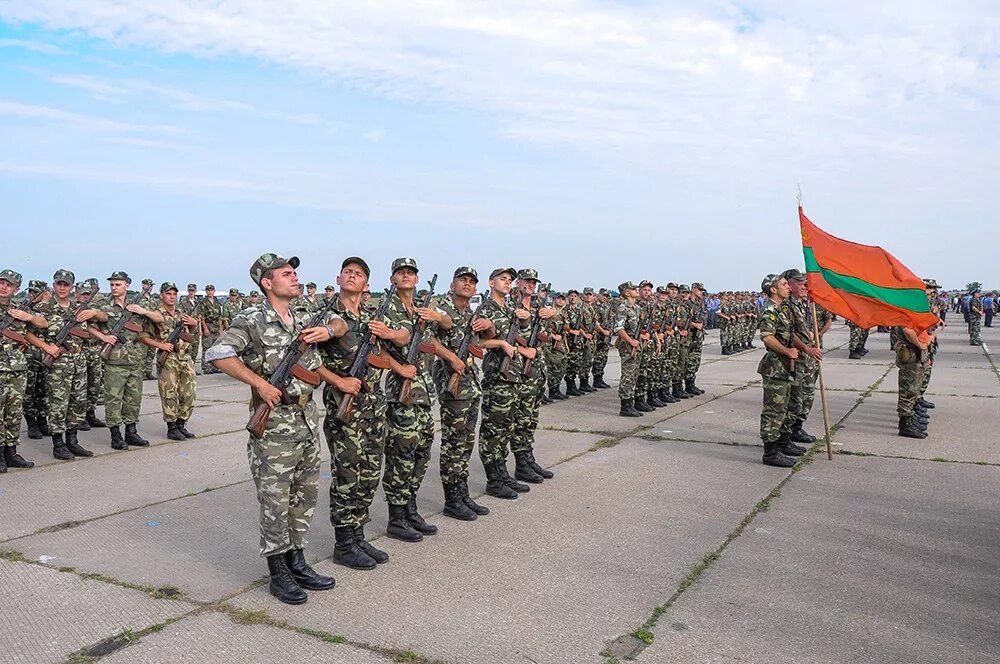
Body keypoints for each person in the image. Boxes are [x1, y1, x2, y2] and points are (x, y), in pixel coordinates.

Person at [207, 253, 341, 605]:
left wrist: (327, 330)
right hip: (275, 425)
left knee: (304, 496)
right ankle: (278, 571)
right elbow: (218, 353)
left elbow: (341, 323)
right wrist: (261, 385)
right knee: (275, 501)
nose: (295, 278)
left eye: (295, 273)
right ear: (268, 283)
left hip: (307, 420)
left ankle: (298, 560)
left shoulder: (302, 316)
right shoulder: (251, 319)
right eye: (287, 273)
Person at [318, 257, 410, 568]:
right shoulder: (328, 315)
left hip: (374, 408)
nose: (353, 275)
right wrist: (339, 381)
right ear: (339, 278)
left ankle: (358, 535)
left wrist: (387, 333)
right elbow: (309, 359)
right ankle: (344, 543)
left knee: (369, 474)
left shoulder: (373, 317)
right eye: (348, 272)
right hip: (346, 410)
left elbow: (403, 339)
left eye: (359, 273)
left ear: (366, 285)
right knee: (347, 475)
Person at [381, 258, 454, 542]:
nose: (406, 276)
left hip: (424, 393)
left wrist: (436, 317)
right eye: (401, 273)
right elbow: (379, 349)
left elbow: (443, 329)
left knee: (422, 454)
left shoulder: (423, 309)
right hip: (401, 394)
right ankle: (396, 517)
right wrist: (400, 365)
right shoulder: (387, 309)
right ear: (393, 279)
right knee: (401, 456)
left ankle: (410, 508)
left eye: (411, 273)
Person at [433, 266, 494, 520]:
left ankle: (462, 493)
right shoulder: (440, 309)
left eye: (471, 282)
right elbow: (428, 340)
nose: (467, 284)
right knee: (453, 442)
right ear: (452, 285)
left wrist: (489, 325)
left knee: (466, 440)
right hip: (452, 382)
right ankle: (452, 499)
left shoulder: (471, 313)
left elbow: (482, 340)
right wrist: (451, 358)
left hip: (470, 382)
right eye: (462, 280)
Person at [89, 271, 162, 450]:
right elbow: (87, 324)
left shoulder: (138, 303)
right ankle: (115, 434)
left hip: (135, 359)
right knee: (113, 398)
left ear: (127, 285)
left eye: (118, 284)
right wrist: (103, 337)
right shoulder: (102, 303)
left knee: (133, 398)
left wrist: (142, 311)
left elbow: (160, 318)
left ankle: (131, 432)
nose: (114, 288)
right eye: (112, 284)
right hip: (114, 360)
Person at [477, 267, 531, 498]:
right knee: (493, 428)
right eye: (502, 279)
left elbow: (523, 338)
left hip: (514, 376)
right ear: (491, 283)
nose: (507, 283)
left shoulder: (510, 309)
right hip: (497, 377)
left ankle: (502, 473)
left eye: (510, 280)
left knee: (506, 427)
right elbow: (476, 342)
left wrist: (526, 321)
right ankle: (493, 479)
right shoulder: (484, 310)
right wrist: (499, 343)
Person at [37, 269, 100, 460]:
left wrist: (94, 311)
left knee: (78, 402)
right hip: (58, 364)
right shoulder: (44, 308)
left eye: (66, 284)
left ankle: (72, 441)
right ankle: (58, 444)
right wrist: (47, 347)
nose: (62, 287)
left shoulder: (79, 309)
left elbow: (101, 319)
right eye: (59, 284)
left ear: (72, 287)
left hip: (79, 362)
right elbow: (28, 333)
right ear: (54, 285)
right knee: (58, 403)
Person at [0, 269, 49, 472]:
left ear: (16, 289)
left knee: (13, 412)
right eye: (1, 282)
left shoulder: (17, 310)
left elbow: (43, 323)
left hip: (17, 369)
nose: (4, 287)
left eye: (9, 284)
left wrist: (27, 316)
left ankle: (11, 452)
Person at [140, 282, 199, 441]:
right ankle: (171, 427)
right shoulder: (155, 314)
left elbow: (190, 335)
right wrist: (160, 345)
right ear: (161, 295)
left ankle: (181, 423)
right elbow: (143, 337)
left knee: (189, 392)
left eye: (174, 294)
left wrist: (194, 325)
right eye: (168, 294)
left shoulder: (182, 313)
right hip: (169, 357)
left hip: (185, 357)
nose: (172, 297)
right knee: (169, 393)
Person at [756, 274, 800, 468]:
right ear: (773, 289)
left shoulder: (781, 309)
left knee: (784, 408)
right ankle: (771, 452)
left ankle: (782, 442)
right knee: (773, 410)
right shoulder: (770, 310)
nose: (788, 286)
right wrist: (788, 351)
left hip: (784, 367)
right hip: (775, 367)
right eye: (783, 284)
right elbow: (767, 337)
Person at [74, 281, 108, 432]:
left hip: (94, 351)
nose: (86, 297)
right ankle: (79, 417)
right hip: (80, 351)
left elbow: (104, 318)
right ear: (77, 294)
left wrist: (94, 312)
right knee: (80, 386)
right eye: (83, 294)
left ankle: (90, 414)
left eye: (88, 294)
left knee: (95, 384)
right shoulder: (72, 308)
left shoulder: (94, 309)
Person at [613, 281, 643, 417]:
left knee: (634, 374)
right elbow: (619, 328)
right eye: (633, 289)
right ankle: (625, 406)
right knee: (628, 375)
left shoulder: (636, 307)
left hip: (637, 345)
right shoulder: (622, 308)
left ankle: (630, 403)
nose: (636, 290)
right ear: (626, 293)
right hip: (627, 346)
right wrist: (631, 341)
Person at [200, 285, 223, 374]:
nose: (210, 292)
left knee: (216, 348)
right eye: (208, 290)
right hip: (208, 325)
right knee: (207, 347)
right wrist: (205, 328)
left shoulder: (216, 301)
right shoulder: (204, 302)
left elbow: (220, 316)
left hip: (216, 326)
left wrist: (220, 328)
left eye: (211, 290)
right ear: (206, 291)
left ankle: (215, 366)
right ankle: (206, 367)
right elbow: (201, 317)